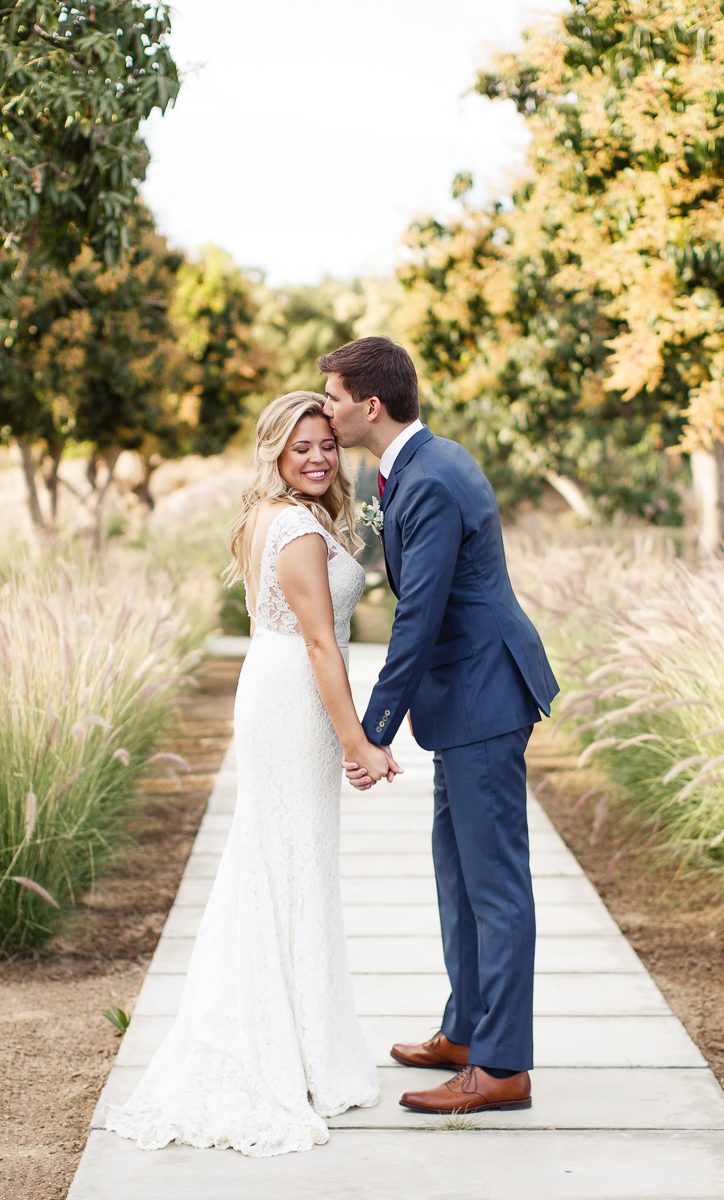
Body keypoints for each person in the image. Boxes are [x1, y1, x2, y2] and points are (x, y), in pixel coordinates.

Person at [101, 392, 387, 1157]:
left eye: (327, 444)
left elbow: (283, 632)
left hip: (276, 687)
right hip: (295, 700)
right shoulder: (295, 527)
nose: (320, 457)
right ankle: (281, 1055)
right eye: (303, 448)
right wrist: (357, 741)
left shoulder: (276, 513)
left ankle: (300, 1045)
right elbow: (323, 647)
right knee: (286, 860)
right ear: (276, 453)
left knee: (286, 859)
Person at [322, 336, 559, 1116]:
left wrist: (374, 726)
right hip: (465, 696)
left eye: (331, 397)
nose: (325, 409)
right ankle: (465, 1031)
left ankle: (501, 1068)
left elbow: (418, 613)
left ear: (370, 405)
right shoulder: (413, 467)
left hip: (485, 695)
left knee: (495, 888)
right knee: (458, 874)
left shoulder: (429, 479)